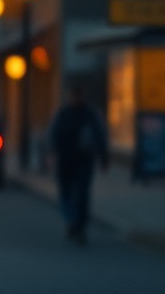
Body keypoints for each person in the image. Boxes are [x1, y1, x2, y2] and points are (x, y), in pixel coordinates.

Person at [47, 83, 109, 245]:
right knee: (66, 192)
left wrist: (103, 156)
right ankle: (71, 220)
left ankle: (80, 225)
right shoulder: (63, 114)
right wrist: (52, 153)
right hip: (66, 159)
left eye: (78, 95)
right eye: (73, 96)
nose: (75, 99)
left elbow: (100, 135)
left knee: (82, 194)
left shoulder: (90, 115)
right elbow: (53, 134)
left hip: (84, 160)